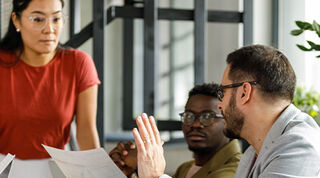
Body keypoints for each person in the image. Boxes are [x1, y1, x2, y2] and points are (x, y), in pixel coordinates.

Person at [132, 45, 320, 178]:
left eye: (223, 92)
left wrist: (156, 176)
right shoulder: (251, 155)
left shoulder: (298, 146)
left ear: (245, 92)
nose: (220, 105)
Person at [0, 0, 100, 177]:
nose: (49, 29)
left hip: (56, 169)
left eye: (56, 19)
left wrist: (99, 174)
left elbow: (86, 131)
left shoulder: (79, 63)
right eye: (38, 19)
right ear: (16, 20)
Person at [111, 83, 242, 178]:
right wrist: (132, 171)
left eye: (207, 116)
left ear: (227, 120)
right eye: (189, 116)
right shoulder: (185, 169)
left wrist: (155, 175)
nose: (195, 124)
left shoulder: (238, 169)